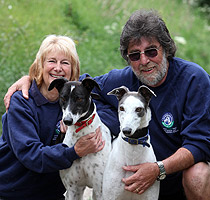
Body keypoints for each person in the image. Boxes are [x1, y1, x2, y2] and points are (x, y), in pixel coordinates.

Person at [4, 10, 210, 200]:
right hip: (127, 181)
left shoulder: (194, 79)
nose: (144, 60)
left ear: (166, 48)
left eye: (152, 51)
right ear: (128, 58)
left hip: (172, 177)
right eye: (135, 55)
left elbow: (199, 143)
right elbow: (80, 87)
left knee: (198, 175)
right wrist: (32, 79)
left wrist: (158, 169)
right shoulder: (122, 79)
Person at [0, 34, 104, 200]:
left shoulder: (77, 94)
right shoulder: (21, 102)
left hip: (51, 194)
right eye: (51, 61)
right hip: (13, 192)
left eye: (65, 63)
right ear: (40, 65)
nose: (58, 68)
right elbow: (31, 155)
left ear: (74, 69)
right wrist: (73, 152)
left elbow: (112, 96)